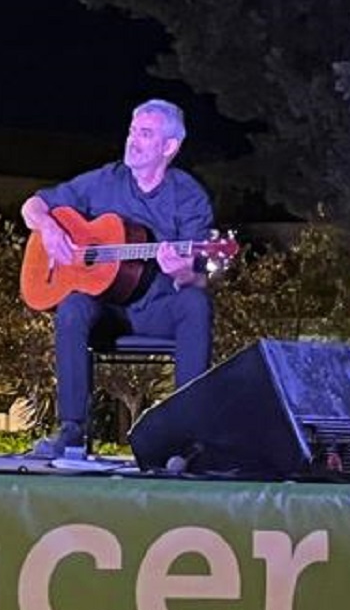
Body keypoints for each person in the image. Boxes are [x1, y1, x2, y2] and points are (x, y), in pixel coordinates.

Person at [20, 98, 214, 459]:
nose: (132, 141)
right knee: (73, 305)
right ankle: (72, 430)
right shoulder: (105, 180)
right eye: (131, 131)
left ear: (169, 147)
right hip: (107, 313)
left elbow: (198, 278)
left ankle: (188, 437)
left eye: (145, 134)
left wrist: (182, 271)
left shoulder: (189, 197)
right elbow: (32, 206)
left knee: (195, 302)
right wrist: (48, 228)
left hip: (156, 311)